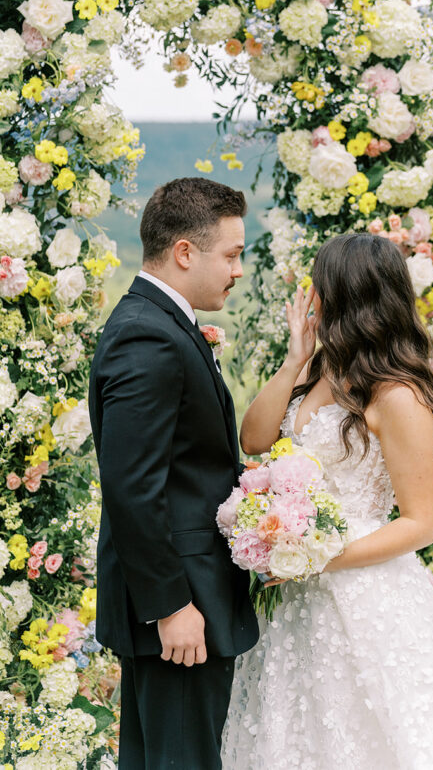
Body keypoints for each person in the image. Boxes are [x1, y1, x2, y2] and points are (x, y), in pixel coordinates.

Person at [221, 231, 433, 769]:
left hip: (365, 589)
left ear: (346, 297)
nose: (311, 295)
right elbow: (255, 440)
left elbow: (422, 522)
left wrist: (320, 557)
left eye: (319, 284)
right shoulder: (317, 371)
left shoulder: (398, 396)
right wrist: (293, 360)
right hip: (300, 594)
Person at [89, 177, 258, 770]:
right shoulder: (148, 335)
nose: (239, 270)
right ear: (186, 251)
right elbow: (133, 485)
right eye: (233, 254)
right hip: (179, 609)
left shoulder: (164, 322)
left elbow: (186, 465)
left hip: (180, 597)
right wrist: (170, 607)